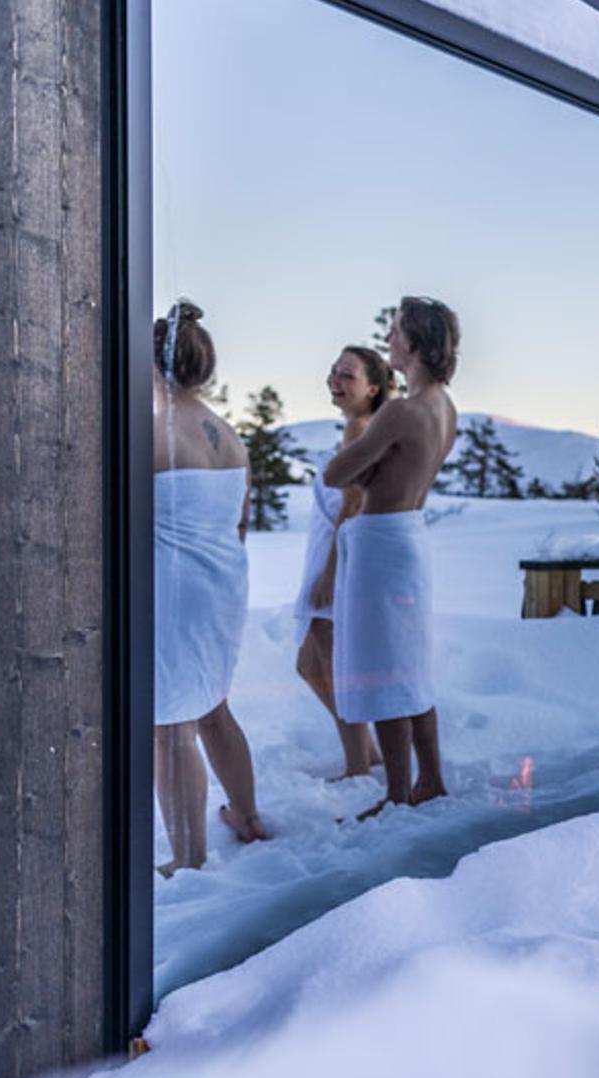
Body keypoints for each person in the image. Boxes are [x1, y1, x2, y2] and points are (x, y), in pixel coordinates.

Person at [322, 296, 458, 819]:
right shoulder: (445, 406)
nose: (389, 340)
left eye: (396, 332)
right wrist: (375, 471)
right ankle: (432, 779)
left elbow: (336, 473)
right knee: (411, 666)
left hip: (382, 543)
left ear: (416, 343)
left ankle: (399, 793)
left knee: (382, 670)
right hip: (411, 535)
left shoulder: (402, 410)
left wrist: (365, 470)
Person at [152, 300, 268, 873]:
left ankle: (189, 857)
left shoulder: (153, 428)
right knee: (214, 706)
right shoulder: (231, 436)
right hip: (224, 583)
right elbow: (240, 521)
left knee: (170, 726)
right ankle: (246, 816)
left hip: (175, 589)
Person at [295, 346, 390, 780]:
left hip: (340, 556)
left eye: (347, 375)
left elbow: (353, 502)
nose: (334, 379)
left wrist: (332, 572)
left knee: (332, 665)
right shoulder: (357, 427)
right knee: (310, 665)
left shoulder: (360, 430)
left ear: (373, 387)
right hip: (328, 551)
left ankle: (358, 764)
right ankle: (365, 750)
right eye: (333, 371)